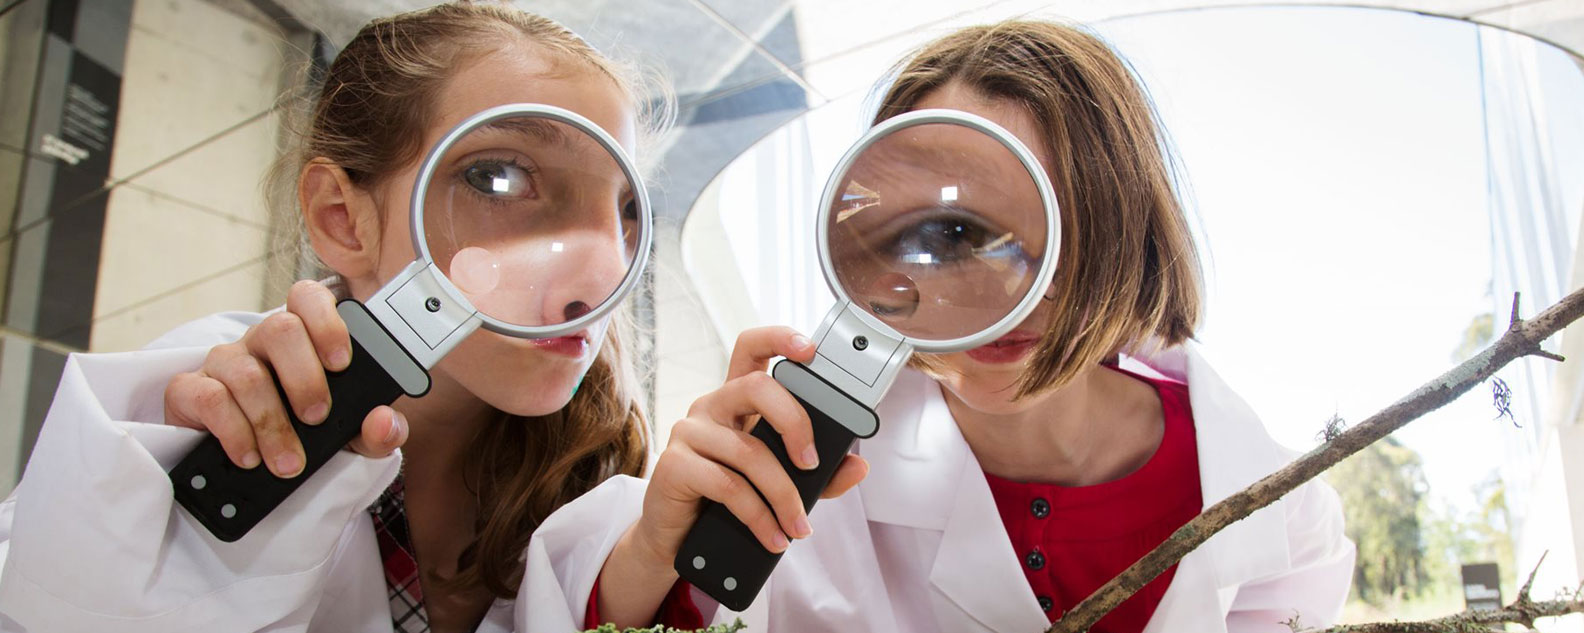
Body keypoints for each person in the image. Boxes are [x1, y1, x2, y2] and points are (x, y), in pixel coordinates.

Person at [525, 20, 1355, 633]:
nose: (1003, 294)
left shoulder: (1280, 517)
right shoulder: (805, 464)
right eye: (946, 236)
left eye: (1058, 226)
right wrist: (655, 546)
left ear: (1133, 238)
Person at [0, 3, 673, 632]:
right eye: (498, 177)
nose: (603, 276)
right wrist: (178, 531)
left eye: (626, 212)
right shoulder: (186, 409)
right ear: (342, 219)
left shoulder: (614, 481)